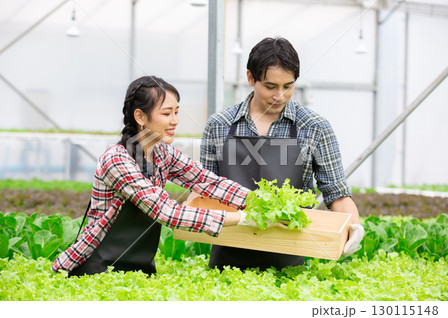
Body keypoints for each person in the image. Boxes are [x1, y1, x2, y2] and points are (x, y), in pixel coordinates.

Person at [51, 76, 285, 277]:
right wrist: (241, 218)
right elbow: (167, 212)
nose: (175, 120)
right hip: (96, 267)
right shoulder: (118, 160)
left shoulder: (162, 153)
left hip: (138, 268)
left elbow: (206, 181)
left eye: (176, 112)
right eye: (166, 113)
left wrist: (260, 202)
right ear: (140, 117)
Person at [187, 37, 364, 271]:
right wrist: (185, 212)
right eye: (271, 86)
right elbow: (204, 189)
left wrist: (353, 226)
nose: (279, 96)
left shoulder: (314, 127)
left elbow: (337, 193)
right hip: (227, 256)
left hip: (293, 258)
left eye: (288, 86)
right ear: (251, 78)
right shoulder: (219, 125)